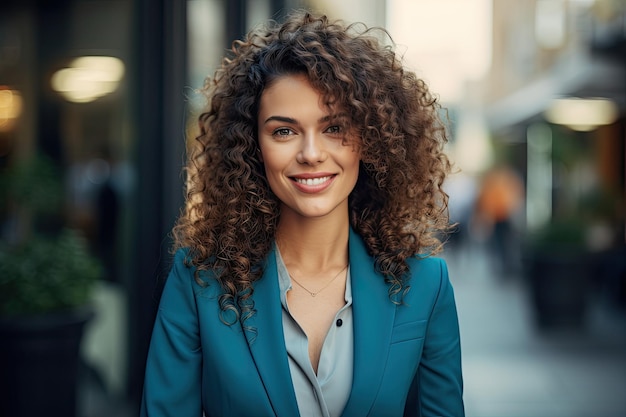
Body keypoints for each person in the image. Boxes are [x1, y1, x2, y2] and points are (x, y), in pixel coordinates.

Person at [140, 9, 464, 417]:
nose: (311, 154)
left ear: (370, 139)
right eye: (284, 131)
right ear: (253, 145)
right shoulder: (200, 278)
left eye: (334, 128)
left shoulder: (425, 283)